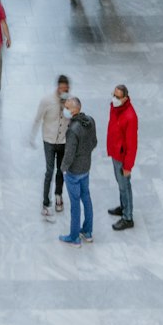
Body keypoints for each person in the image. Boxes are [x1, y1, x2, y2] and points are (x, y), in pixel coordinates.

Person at [31, 73, 71, 219]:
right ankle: (45, 202)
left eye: (66, 89)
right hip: (49, 140)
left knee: (61, 170)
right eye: (61, 89)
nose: (63, 91)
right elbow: (37, 118)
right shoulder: (47, 100)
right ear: (57, 87)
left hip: (63, 141)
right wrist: (32, 136)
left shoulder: (70, 101)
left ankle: (58, 195)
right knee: (49, 171)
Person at [59, 96, 97, 246]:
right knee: (86, 198)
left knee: (75, 204)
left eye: (67, 108)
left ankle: (74, 237)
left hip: (74, 172)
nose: (65, 110)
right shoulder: (90, 121)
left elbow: (69, 154)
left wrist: (63, 169)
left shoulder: (72, 131)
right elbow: (94, 142)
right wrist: (85, 154)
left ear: (74, 110)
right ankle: (87, 232)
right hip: (86, 167)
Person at [106, 83, 139, 230]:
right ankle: (123, 206)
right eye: (114, 95)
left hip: (122, 157)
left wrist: (128, 166)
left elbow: (132, 145)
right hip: (115, 152)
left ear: (125, 98)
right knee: (120, 184)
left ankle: (128, 217)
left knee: (125, 185)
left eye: (118, 97)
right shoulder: (115, 108)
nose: (114, 98)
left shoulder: (130, 117)